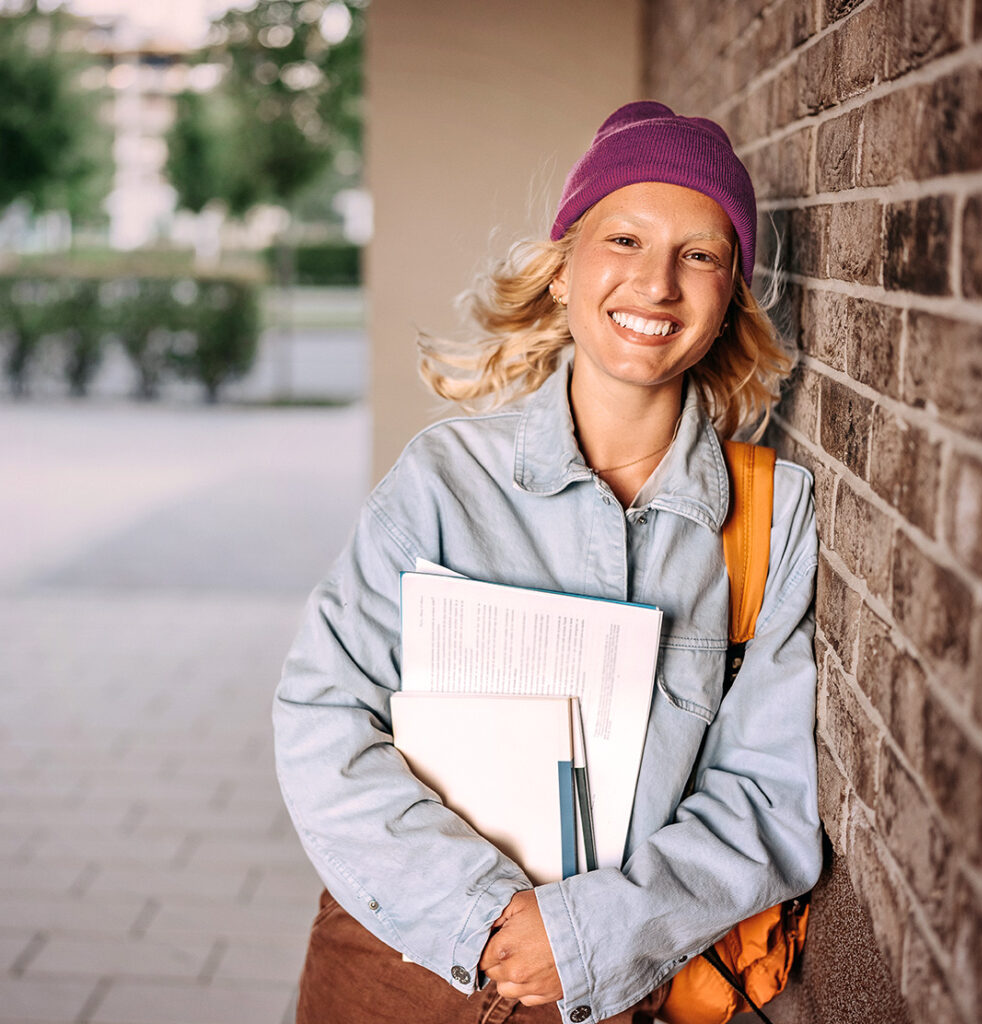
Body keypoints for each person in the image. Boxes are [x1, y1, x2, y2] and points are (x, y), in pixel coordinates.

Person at [273, 100, 822, 1024]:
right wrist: (478, 911)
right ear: (564, 270)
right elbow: (325, 718)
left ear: (729, 298)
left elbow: (765, 796)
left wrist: (584, 936)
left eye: (699, 255)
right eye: (624, 239)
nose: (656, 284)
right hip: (401, 957)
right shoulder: (445, 479)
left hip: (609, 984)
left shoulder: (771, 515)